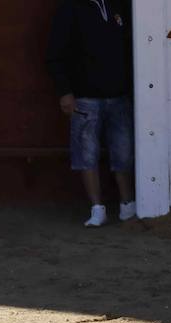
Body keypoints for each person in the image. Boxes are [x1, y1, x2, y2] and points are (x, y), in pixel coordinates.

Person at [46, 0, 135, 227]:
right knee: (86, 153)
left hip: (119, 94)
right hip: (85, 97)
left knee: (124, 152)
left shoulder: (119, 5)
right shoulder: (70, 8)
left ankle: (127, 205)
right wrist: (65, 92)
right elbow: (55, 55)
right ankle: (97, 208)